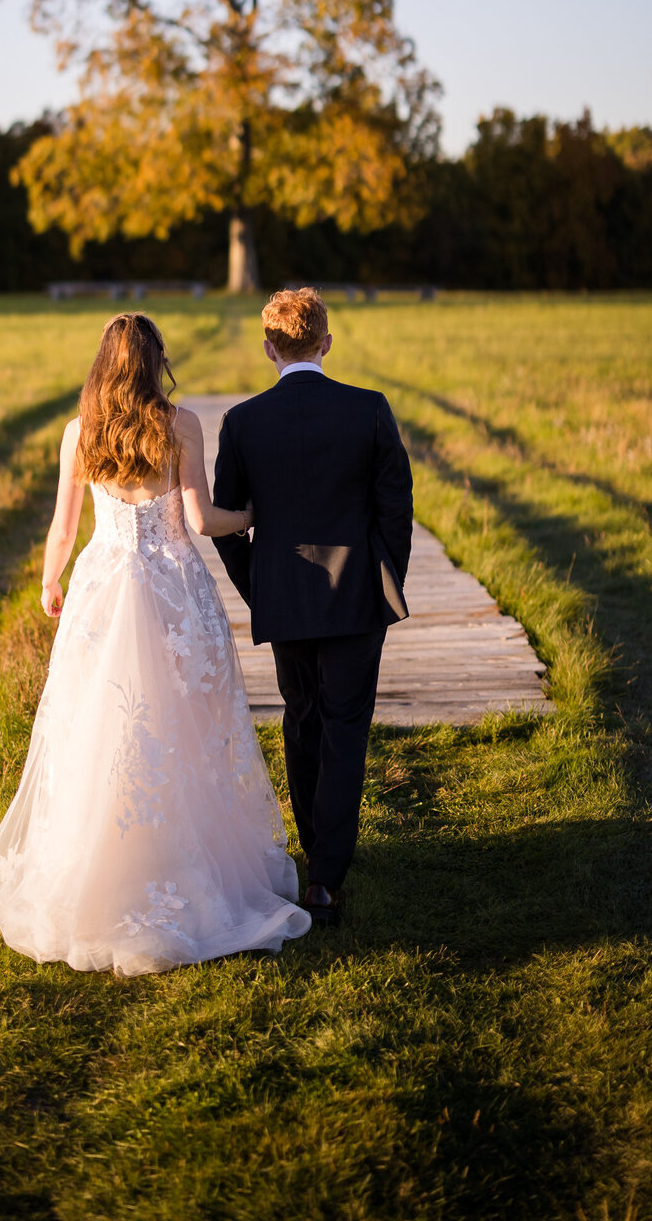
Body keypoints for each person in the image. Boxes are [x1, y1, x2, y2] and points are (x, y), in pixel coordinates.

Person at [0, 312, 311, 975]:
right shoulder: (180, 425)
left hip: (102, 587)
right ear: (155, 363)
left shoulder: (79, 432)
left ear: (103, 363)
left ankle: (103, 865)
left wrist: (48, 581)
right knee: (185, 727)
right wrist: (257, 515)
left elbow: (63, 530)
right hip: (174, 592)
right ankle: (178, 861)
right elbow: (203, 520)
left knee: (99, 728)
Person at [213, 288, 413, 925]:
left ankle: (314, 853)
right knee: (345, 727)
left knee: (302, 721)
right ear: (326, 343)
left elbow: (226, 524)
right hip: (356, 597)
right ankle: (326, 873)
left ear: (270, 349)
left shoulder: (243, 422)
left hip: (286, 598)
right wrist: (384, 582)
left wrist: (258, 586)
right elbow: (396, 508)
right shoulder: (369, 410)